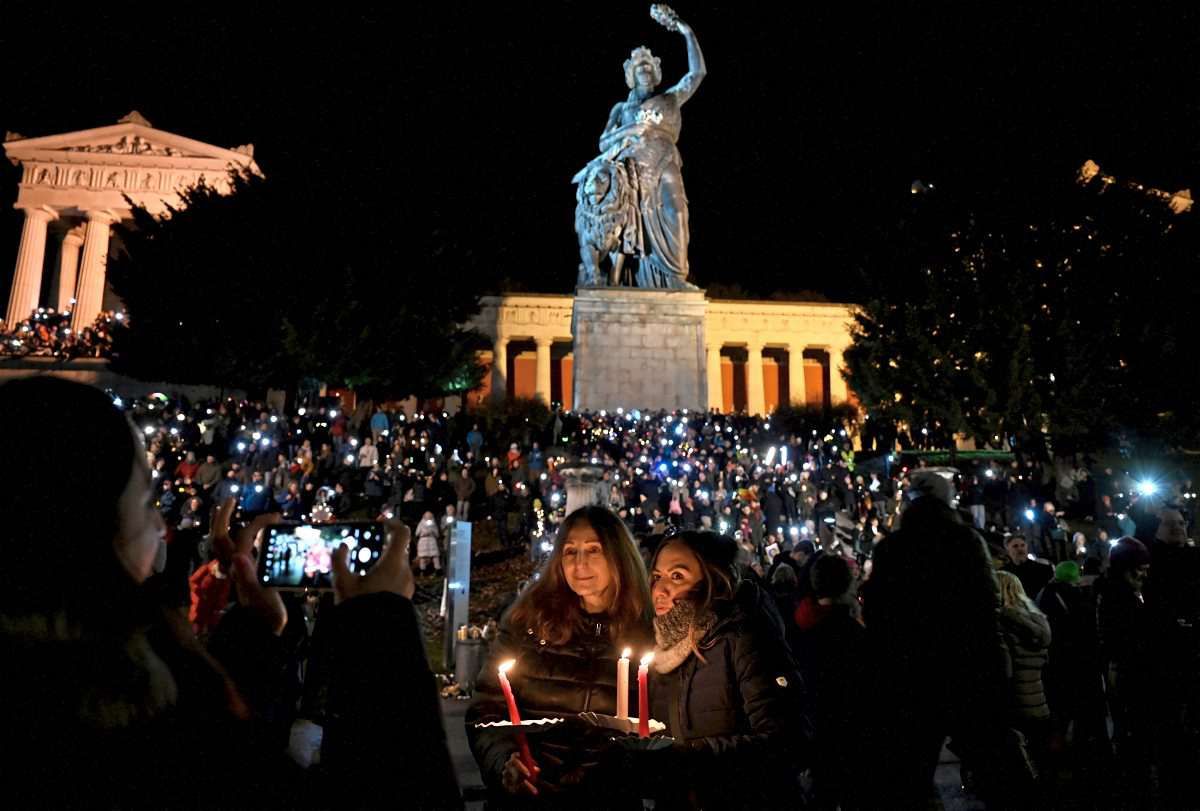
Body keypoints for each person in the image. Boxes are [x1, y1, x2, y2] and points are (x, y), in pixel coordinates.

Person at [0, 376, 459, 808]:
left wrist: (253, 632)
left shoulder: (79, 677)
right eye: (145, 502)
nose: (160, 527)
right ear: (87, 530)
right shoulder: (116, 713)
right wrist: (380, 630)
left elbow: (236, 748)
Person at [466, 506, 652, 808]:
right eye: (570, 552)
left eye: (594, 550)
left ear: (618, 555)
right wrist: (504, 763)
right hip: (530, 798)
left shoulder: (647, 634)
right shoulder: (528, 622)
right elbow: (486, 708)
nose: (580, 564)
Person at [860, 469, 1014, 809]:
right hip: (969, 664)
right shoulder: (966, 541)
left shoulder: (892, 549)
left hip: (912, 672)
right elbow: (989, 601)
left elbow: (879, 611)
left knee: (911, 776)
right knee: (998, 770)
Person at [639, 530, 808, 809]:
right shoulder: (658, 655)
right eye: (657, 576)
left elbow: (786, 741)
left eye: (677, 576)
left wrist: (689, 757)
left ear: (713, 580)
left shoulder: (743, 637)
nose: (660, 589)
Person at [585, 5, 705, 289]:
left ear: (656, 72)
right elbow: (603, 142)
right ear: (631, 74)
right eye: (640, 69)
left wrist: (685, 30)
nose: (645, 72)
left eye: (649, 68)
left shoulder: (670, 98)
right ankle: (627, 278)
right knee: (632, 229)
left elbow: (697, 73)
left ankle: (675, 277)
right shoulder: (621, 109)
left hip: (665, 161)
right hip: (633, 172)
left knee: (677, 212)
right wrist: (631, 129)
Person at [995, 571, 1052, 773]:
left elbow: (1004, 669)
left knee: (1019, 766)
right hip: (1038, 702)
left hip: (1013, 705)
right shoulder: (1037, 619)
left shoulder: (1002, 624)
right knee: (1042, 758)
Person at [415, 510, 442, 575]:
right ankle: (422, 570)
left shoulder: (433, 524)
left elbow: (437, 534)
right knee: (423, 557)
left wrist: (432, 530)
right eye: (427, 516)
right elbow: (417, 533)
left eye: (430, 516)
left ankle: (438, 569)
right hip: (423, 541)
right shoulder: (421, 523)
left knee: (435, 556)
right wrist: (423, 532)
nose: (428, 517)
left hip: (432, 541)